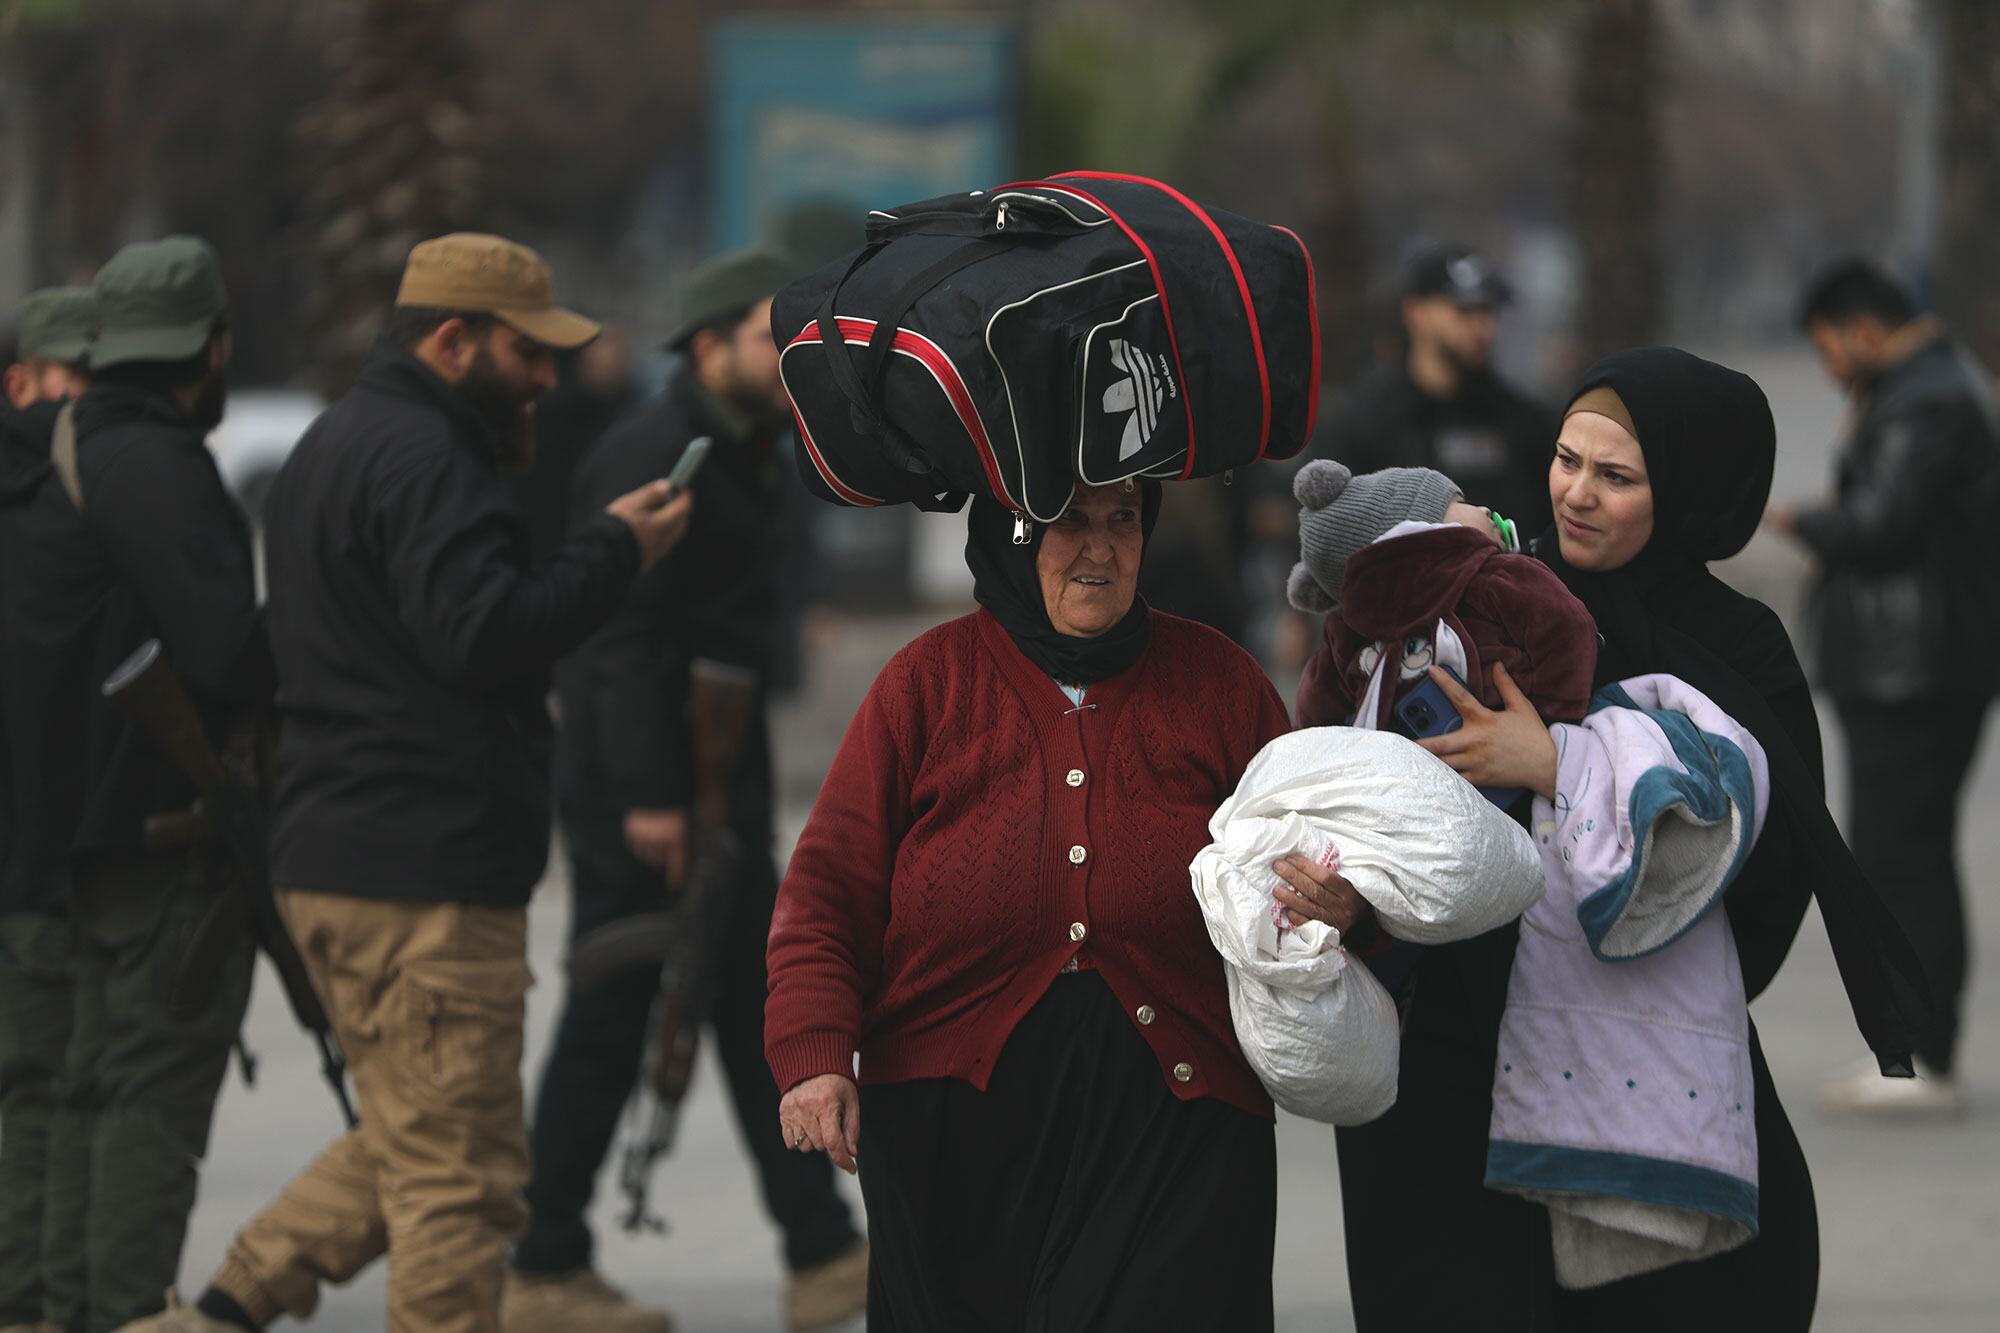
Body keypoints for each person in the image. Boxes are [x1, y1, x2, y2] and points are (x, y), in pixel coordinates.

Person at [1301, 347, 1927, 1330]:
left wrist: (1556, 764)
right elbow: (1359, 769)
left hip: (1638, 1051)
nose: (1575, 494)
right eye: (1565, 460)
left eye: (1616, 476)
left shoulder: (1738, 647)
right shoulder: (1480, 591)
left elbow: (1767, 866)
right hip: (1446, 1064)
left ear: (1687, 493)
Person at [136, 234, 691, 1333]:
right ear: (452, 340)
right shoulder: (433, 462)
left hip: (343, 856)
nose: (546, 378)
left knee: (421, 1136)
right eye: (526, 352)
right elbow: (483, 634)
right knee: (456, 1181)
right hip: (422, 871)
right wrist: (614, 553)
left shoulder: (335, 443)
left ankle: (214, 1317)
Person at [765, 480, 1362, 1331]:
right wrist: (815, 1052)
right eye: (1069, 521)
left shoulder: (1220, 683)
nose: (1101, 548)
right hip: (953, 1133)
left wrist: (1333, 902)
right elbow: (828, 892)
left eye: (1124, 520)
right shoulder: (927, 684)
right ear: (1012, 534)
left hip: (1176, 1117)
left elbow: (1308, 854)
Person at [505, 249, 866, 1333]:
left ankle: (819, 1248)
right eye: (769, 335)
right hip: (648, 788)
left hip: (712, 774)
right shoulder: (657, 448)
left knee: (754, 995)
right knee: (616, 1010)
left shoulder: (745, 445)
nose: (791, 354)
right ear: (708, 346)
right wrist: (649, 794)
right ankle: (543, 1261)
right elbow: (613, 635)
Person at [0, 240, 271, 1333]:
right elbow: (227, 652)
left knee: (66, 1092)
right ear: (211, 348)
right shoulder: (147, 463)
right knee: (136, 1095)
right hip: (144, 840)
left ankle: (56, 1306)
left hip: (60, 844)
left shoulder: (54, 463)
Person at [1768, 257, 2000, 1114]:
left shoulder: (1923, 398)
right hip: (1925, 663)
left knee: (1902, 858)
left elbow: (1881, 523)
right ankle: (1919, 1048)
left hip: (1914, 669)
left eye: (1828, 347)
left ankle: (1920, 1055)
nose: (1829, 366)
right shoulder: (1936, 385)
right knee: (1911, 852)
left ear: (1863, 329)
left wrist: (1807, 520)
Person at [0, 284, 95, 1333]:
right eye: (77, 379)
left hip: (40, 852)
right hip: (38, 861)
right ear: (22, 383)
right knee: (43, 1089)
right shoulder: (57, 504)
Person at [1318, 243, 1556, 533]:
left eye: (1488, 310)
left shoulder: (1527, 424)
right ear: (1415, 312)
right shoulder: (1363, 424)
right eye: (1464, 310)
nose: (1482, 327)